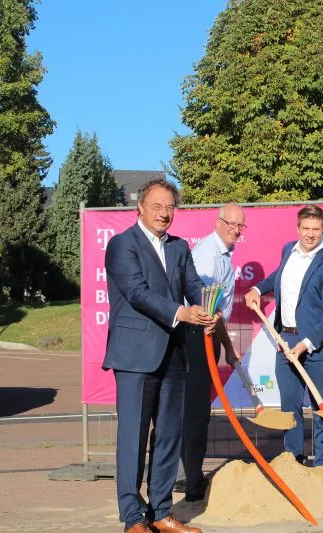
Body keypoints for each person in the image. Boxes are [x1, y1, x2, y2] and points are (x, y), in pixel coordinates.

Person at [103, 178, 212, 533]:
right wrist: (180, 313)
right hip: (135, 356)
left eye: (169, 207)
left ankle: (161, 512)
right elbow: (137, 293)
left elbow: (194, 286)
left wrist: (207, 308)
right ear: (140, 207)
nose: (164, 214)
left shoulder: (180, 247)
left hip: (174, 355)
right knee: (132, 436)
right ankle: (133, 517)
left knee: (168, 436)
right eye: (157, 206)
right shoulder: (122, 245)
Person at [244, 205, 323, 466]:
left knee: (321, 409)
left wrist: (306, 344)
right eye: (306, 228)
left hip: (318, 347)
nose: (310, 234)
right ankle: (293, 460)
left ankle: (322, 463)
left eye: (316, 229)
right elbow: (280, 276)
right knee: (290, 407)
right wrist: (257, 288)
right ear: (298, 228)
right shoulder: (288, 250)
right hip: (285, 341)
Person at [179, 203, 246, 502]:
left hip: (208, 336)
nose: (235, 229)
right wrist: (229, 348)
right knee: (194, 412)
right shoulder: (208, 254)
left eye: (240, 225)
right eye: (231, 223)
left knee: (197, 411)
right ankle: (191, 481)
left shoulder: (224, 256)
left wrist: (227, 348)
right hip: (197, 337)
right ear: (218, 222)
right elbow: (208, 309)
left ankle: (190, 475)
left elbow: (217, 312)